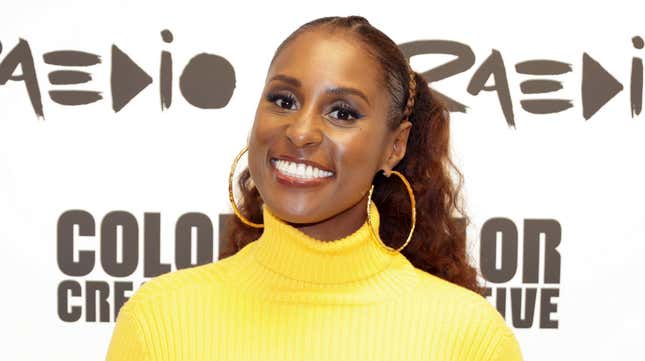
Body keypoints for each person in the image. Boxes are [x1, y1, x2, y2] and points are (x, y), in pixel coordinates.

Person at [105, 15, 523, 360]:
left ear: (394, 146)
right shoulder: (159, 321)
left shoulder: (470, 340)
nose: (301, 131)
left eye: (342, 112)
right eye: (284, 101)